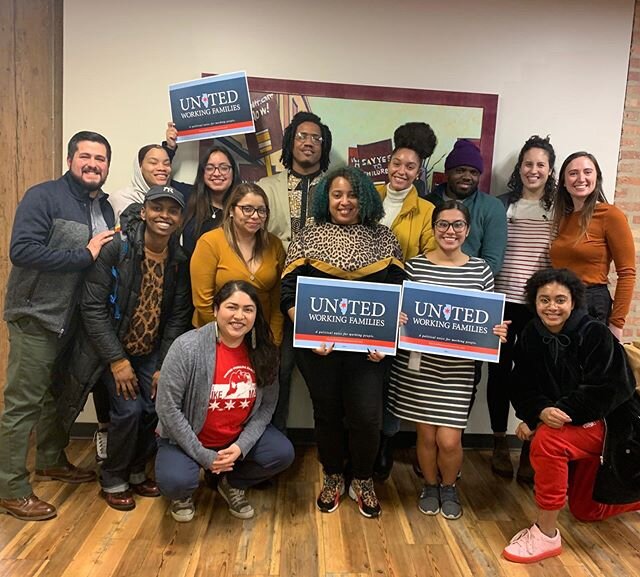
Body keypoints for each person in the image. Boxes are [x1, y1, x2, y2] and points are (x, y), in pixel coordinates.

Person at [0, 131, 116, 521]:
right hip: (36, 315)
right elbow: (22, 250)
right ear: (70, 160)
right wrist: (82, 254)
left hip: (73, 321)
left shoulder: (103, 208)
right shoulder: (43, 196)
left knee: (54, 394)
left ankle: (50, 459)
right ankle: (9, 487)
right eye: (86, 156)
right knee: (22, 403)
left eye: (100, 159)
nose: (93, 164)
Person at [281, 166, 405, 518]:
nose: (345, 201)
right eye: (337, 195)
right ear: (327, 199)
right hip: (320, 351)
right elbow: (288, 294)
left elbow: (399, 296)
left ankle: (363, 479)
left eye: (352, 194)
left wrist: (388, 340)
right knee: (328, 413)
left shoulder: (385, 239)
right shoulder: (308, 236)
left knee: (367, 417)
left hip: (370, 354)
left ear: (364, 197)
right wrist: (308, 330)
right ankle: (334, 476)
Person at [66, 185, 192, 511]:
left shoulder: (178, 261)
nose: (164, 215)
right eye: (158, 208)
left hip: (150, 351)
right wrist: (117, 360)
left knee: (154, 406)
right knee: (128, 410)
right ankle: (113, 477)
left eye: (172, 210)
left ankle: (136, 470)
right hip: (112, 351)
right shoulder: (117, 248)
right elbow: (92, 307)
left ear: (180, 218)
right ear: (145, 211)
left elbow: (177, 318)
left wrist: (164, 364)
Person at [503, 268, 640, 563]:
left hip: (612, 423)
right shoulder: (531, 334)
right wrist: (536, 412)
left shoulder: (595, 333)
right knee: (586, 510)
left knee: (548, 441)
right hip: (568, 422)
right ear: (534, 302)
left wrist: (557, 414)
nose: (552, 307)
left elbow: (610, 388)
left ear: (574, 302)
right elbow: (521, 382)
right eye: (544, 300)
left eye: (560, 300)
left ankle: (545, 534)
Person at [387, 200, 508, 520]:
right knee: (425, 436)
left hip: (457, 370)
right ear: (433, 228)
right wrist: (397, 318)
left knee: (449, 440)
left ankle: (449, 486)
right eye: (443, 224)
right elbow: (404, 314)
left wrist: (496, 329)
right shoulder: (413, 267)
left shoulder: (480, 270)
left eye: (457, 225)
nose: (449, 231)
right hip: (418, 367)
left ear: (467, 230)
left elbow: (484, 319)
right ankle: (430, 485)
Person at [155, 281, 294, 522]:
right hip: (187, 439)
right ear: (216, 309)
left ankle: (231, 483)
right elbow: (167, 408)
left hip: (233, 439)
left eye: (248, 310)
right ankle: (183, 494)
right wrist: (203, 455)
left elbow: (267, 407)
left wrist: (241, 446)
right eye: (232, 307)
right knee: (176, 481)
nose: (239, 316)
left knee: (282, 453)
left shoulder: (265, 351)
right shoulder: (187, 347)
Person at [258, 111, 333, 433]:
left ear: (324, 146)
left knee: (327, 376)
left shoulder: (336, 187)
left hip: (324, 296)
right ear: (290, 142)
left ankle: (331, 450)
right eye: (302, 136)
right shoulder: (266, 186)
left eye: (316, 138)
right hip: (278, 294)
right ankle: (273, 441)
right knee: (279, 370)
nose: (309, 143)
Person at [488, 135, 556, 481]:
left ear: (549, 169)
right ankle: (499, 441)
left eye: (540, 164)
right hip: (501, 302)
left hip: (540, 308)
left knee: (536, 375)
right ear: (519, 169)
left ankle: (531, 445)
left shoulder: (561, 209)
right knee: (498, 373)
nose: (533, 170)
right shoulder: (502, 205)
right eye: (527, 164)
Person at [374, 121, 438, 480]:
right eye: (397, 163)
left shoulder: (427, 212)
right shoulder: (366, 195)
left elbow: (426, 262)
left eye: (410, 166)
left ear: (419, 171)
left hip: (399, 308)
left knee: (392, 380)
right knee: (364, 378)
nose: (401, 171)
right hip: (364, 303)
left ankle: (385, 443)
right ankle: (361, 443)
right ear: (389, 163)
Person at [550, 152, 636, 341]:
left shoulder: (610, 215)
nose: (581, 178)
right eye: (573, 173)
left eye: (587, 172)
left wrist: (617, 324)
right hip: (560, 302)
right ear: (564, 181)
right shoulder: (563, 218)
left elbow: (627, 273)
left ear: (597, 178)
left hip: (591, 304)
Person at [190, 183, 285, 344]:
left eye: (261, 210)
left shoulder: (274, 244)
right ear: (232, 210)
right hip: (215, 337)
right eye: (247, 209)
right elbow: (203, 301)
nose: (255, 216)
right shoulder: (210, 242)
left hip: (260, 337)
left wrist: (273, 340)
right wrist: (225, 339)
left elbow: (277, 301)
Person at [424, 139, 507, 276]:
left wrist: (461, 282)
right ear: (447, 172)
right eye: (460, 170)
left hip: (471, 288)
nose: (467, 177)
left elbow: (493, 262)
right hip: (427, 281)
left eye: (474, 172)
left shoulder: (492, 207)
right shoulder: (426, 204)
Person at [108, 144, 173, 223]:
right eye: (153, 163)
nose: (162, 168)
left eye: (166, 164)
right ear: (139, 166)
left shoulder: (172, 201)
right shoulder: (119, 199)